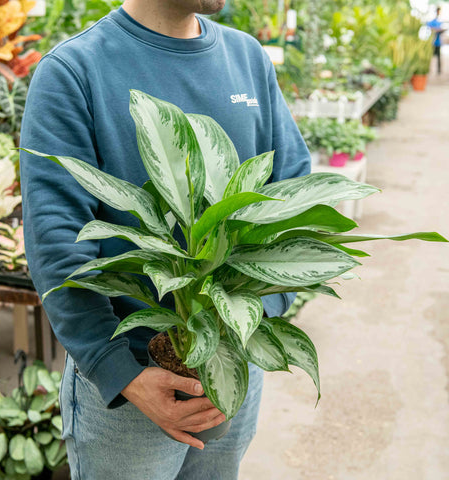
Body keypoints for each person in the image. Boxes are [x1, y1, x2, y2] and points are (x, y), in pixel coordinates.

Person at [20, 0, 311, 478]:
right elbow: (58, 245)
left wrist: (259, 322)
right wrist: (121, 374)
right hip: (131, 391)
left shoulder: (248, 57)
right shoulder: (74, 69)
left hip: (231, 371)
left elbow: (293, 189)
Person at [428, 7, 446, 75]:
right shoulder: (432, 21)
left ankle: (438, 71)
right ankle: (429, 69)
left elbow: (440, 30)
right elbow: (431, 29)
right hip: (432, 42)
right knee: (431, 57)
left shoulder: (439, 22)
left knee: (438, 57)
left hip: (438, 42)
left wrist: (440, 30)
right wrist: (437, 30)